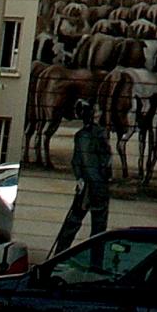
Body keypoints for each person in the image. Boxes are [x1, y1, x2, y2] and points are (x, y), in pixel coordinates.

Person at [51, 101, 112, 253]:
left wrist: (80, 179)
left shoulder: (80, 135)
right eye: (97, 111)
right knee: (98, 228)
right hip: (98, 186)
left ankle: (59, 254)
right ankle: (95, 262)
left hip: (84, 186)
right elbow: (106, 159)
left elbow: (76, 161)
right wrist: (106, 176)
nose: (100, 114)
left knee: (72, 223)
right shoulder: (101, 133)